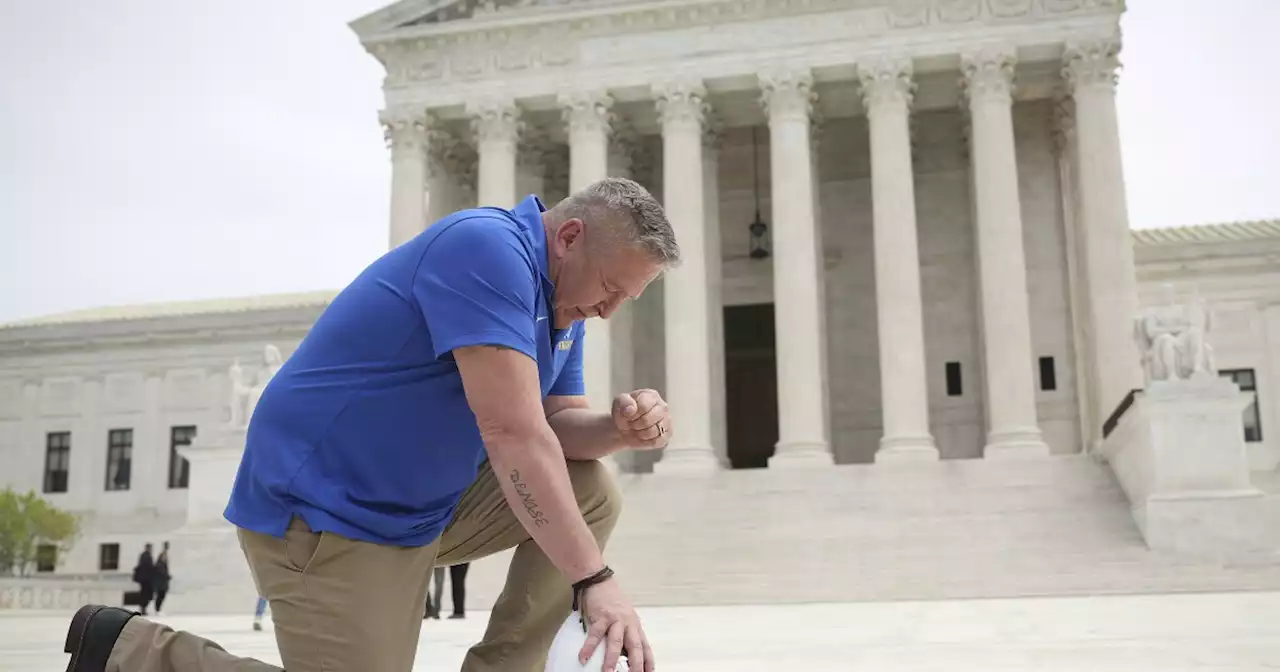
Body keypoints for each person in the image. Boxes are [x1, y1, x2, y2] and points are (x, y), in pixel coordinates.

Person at [63, 177, 679, 672]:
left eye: (625, 300)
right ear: (569, 236)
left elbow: (558, 428)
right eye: (609, 288)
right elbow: (514, 435)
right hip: (326, 511)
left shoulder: (561, 305)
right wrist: (593, 578)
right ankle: (131, 652)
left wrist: (618, 430)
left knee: (592, 487)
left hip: (419, 508)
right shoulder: (488, 250)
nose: (607, 311)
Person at [129, 543, 155, 616]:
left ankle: (143, 608)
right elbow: (148, 567)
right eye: (150, 548)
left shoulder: (145, 555)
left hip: (145, 578)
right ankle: (143, 608)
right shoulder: (146, 556)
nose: (151, 549)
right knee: (145, 593)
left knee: (145, 593)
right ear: (147, 548)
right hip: (146, 579)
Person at [152, 542, 171, 614]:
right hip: (160, 583)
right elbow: (161, 572)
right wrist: (166, 576)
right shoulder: (159, 564)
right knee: (160, 595)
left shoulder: (163, 563)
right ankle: (157, 609)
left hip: (163, 582)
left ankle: (158, 609)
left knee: (161, 595)